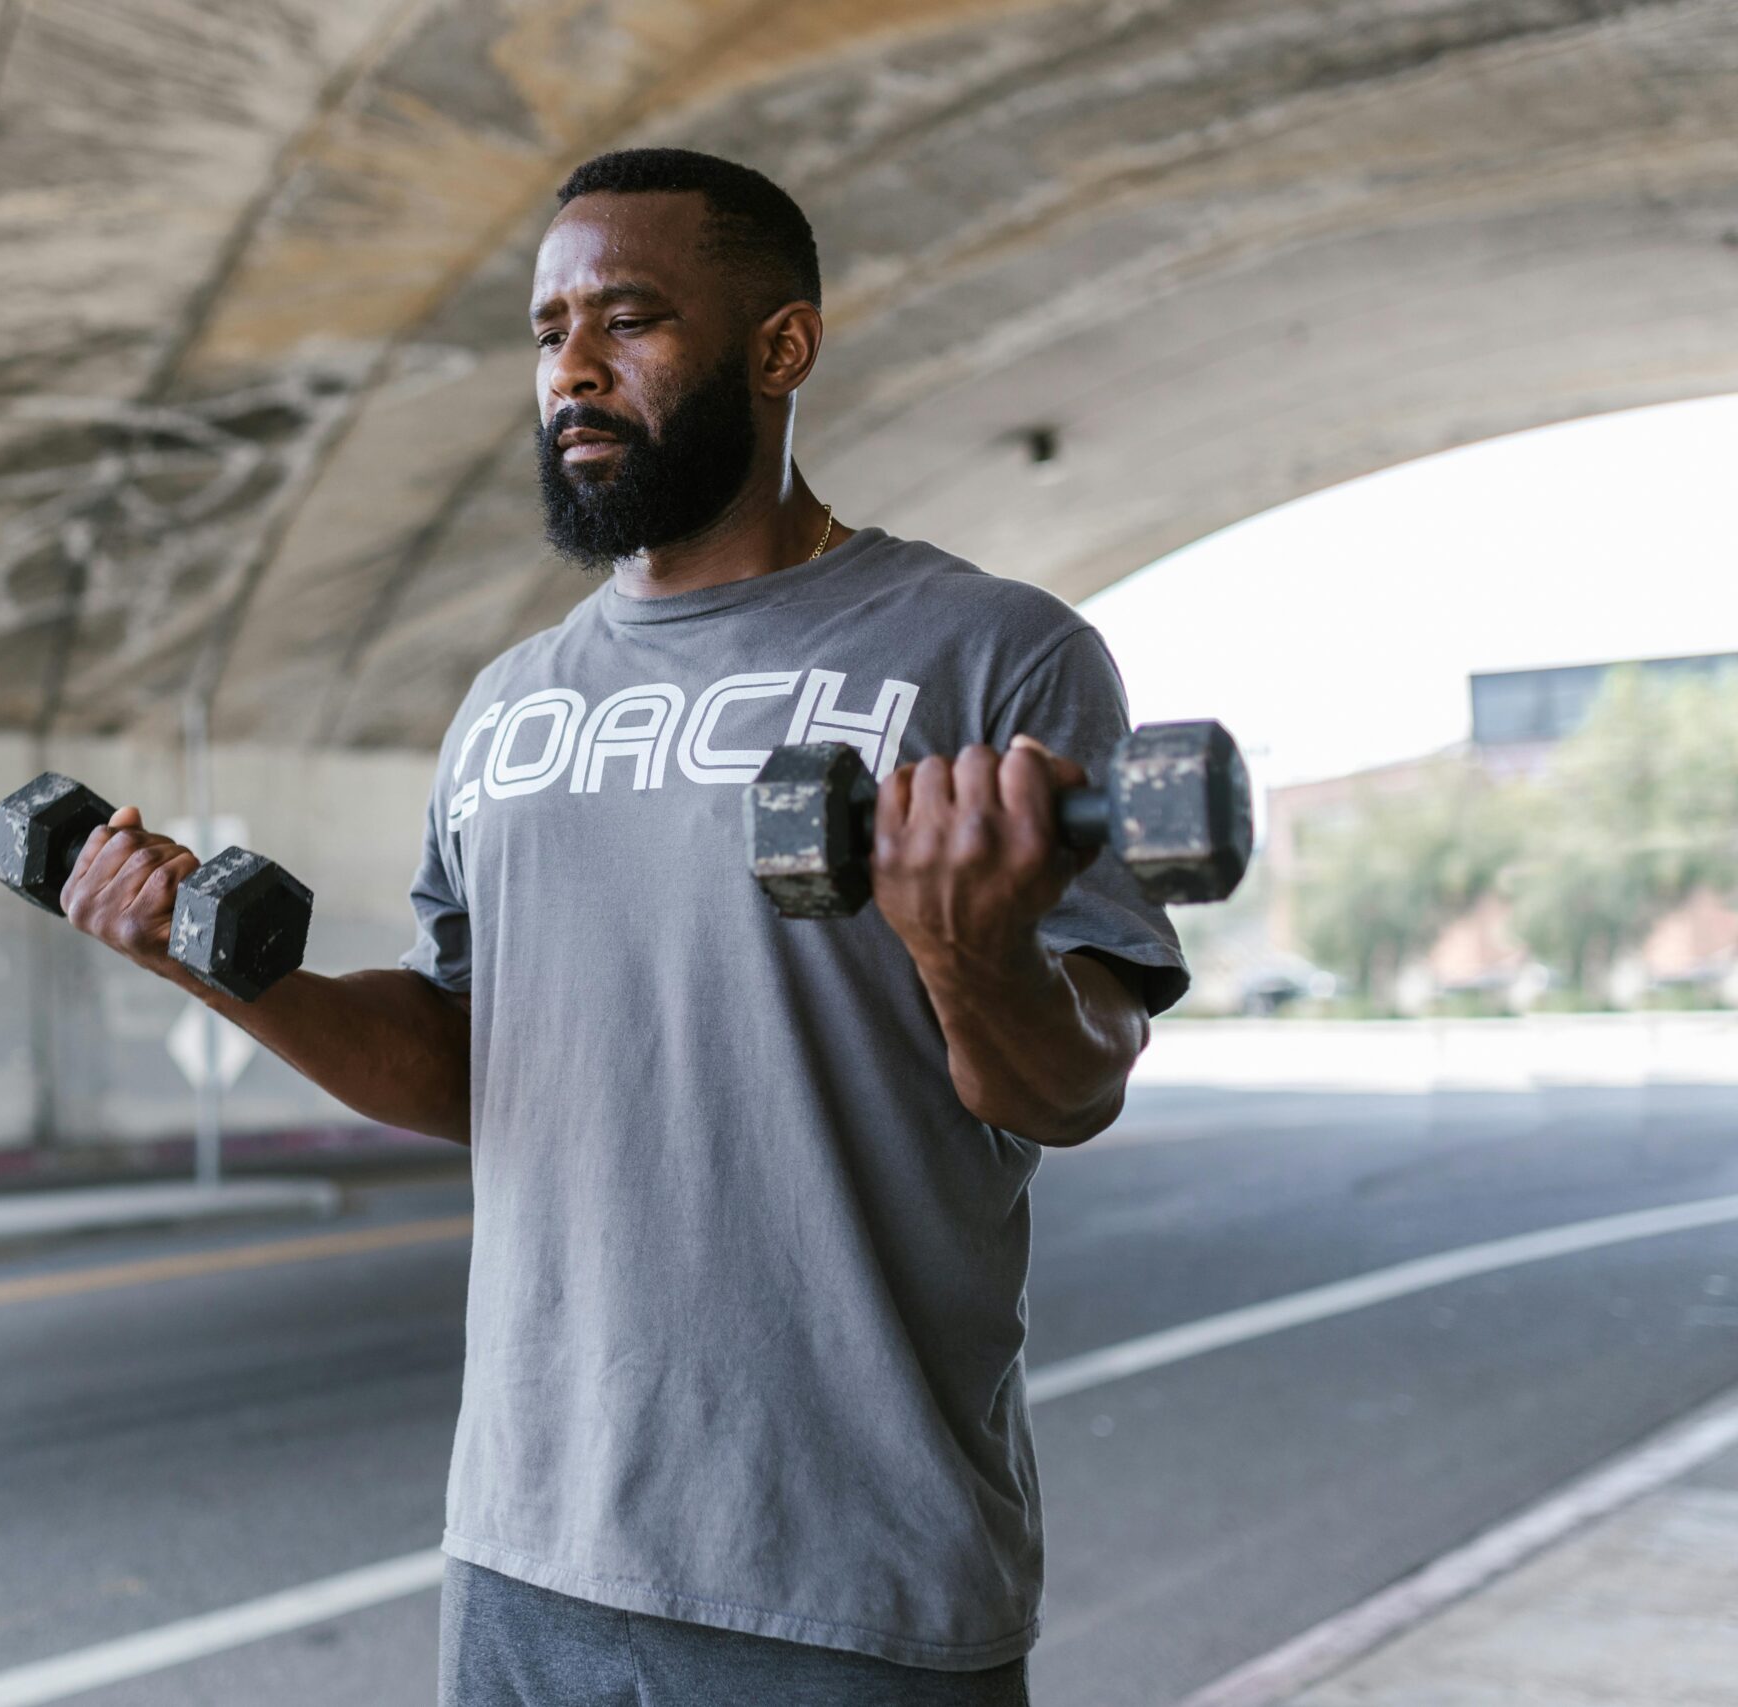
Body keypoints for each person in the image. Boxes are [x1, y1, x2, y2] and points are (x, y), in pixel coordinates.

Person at [60, 147, 1187, 1707]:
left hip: (847, 1578)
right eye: (546, 333)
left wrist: (966, 947)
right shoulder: (509, 705)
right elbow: (468, 1066)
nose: (572, 371)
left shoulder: (990, 656)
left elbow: (1076, 1087)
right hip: (528, 1553)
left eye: (629, 322)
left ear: (781, 348)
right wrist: (212, 964)